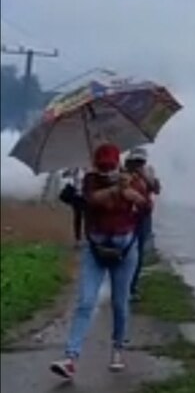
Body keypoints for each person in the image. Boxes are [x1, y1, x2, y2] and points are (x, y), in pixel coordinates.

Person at [50, 143, 147, 381]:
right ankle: (71, 358)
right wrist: (118, 190)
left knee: (119, 303)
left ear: (117, 164)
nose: (105, 171)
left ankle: (117, 349)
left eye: (109, 167)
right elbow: (93, 200)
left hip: (125, 252)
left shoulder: (132, 179)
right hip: (95, 250)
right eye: (102, 168)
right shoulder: (90, 181)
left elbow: (145, 204)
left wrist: (133, 191)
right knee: (85, 302)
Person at [125, 148, 161, 301]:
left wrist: (146, 176)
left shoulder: (147, 173)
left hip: (143, 217)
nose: (139, 165)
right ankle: (123, 285)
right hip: (126, 217)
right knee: (126, 251)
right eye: (136, 162)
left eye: (141, 162)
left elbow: (156, 189)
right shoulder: (124, 175)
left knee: (139, 252)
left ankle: (132, 287)